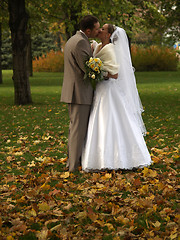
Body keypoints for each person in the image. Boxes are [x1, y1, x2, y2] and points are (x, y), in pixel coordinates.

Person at [82, 24, 152, 171]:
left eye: (103, 29)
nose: (99, 30)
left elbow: (114, 74)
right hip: (100, 89)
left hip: (108, 90)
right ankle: (99, 158)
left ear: (108, 35)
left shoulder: (110, 49)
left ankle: (121, 158)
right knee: (100, 120)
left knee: (110, 120)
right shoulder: (99, 46)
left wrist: (98, 72)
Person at [60, 15, 100, 172]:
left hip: (73, 91)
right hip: (79, 93)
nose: (98, 31)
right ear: (88, 30)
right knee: (78, 130)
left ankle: (71, 162)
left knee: (74, 128)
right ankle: (73, 166)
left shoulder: (73, 39)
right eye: (97, 28)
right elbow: (88, 69)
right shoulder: (81, 42)